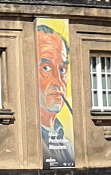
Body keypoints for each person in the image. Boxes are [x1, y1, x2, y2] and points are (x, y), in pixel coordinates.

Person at [37, 24, 75, 168]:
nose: (58, 82)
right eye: (46, 68)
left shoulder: (69, 146)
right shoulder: (30, 140)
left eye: (62, 69)